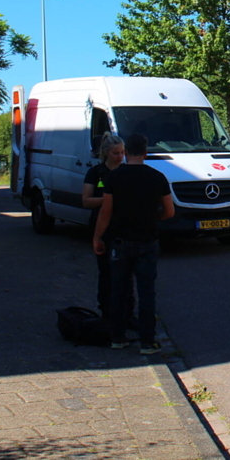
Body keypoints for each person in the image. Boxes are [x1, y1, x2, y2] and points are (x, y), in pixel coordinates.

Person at [93, 133, 174, 354]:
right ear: (146, 153)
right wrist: (153, 218)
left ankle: (117, 338)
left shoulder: (114, 177)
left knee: (119, 290)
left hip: (120, 242)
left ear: (126, 152)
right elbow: (169, 210)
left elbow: (105, 212)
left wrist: (98, 237)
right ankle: (148, 341)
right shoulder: (157, 177)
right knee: (147, 292)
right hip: (147, 240)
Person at [82, 132, 130, 323]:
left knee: (126, 273)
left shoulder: (127, 171)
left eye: (122, 152)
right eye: (116, 153)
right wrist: (107, 199)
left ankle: (128, 313)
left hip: (125, 226)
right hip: (103, 227)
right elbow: (86, 200)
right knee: (106, 272)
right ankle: (107, 312)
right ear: (106, 153)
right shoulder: (96, 173)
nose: (120, 157)